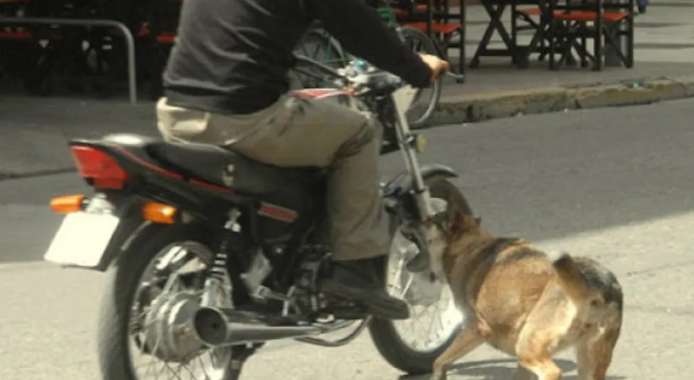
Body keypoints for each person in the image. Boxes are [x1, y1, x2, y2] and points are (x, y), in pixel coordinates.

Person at [155, 0, 450, 321]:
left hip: (177, 113)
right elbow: (357, 26)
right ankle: (354, 273)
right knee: (360, 131)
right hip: (243, 117)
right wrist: (417, 68)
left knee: (299, 115)